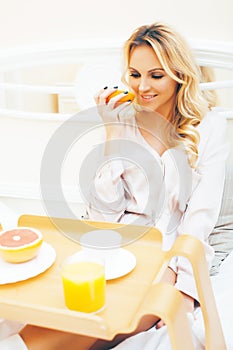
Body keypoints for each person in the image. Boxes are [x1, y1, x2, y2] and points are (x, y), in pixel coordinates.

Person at [0, 22, 229, 349]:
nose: (143, 86)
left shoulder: (209, 127)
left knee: (118, 315)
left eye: (156, 75)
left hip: (167, 253)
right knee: (58, 305)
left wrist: (186, 291)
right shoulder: (124, 120)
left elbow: (200, 220)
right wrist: (113, 135)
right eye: (135, 74)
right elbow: (104, 215)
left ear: (179, 76)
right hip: (112, 245)